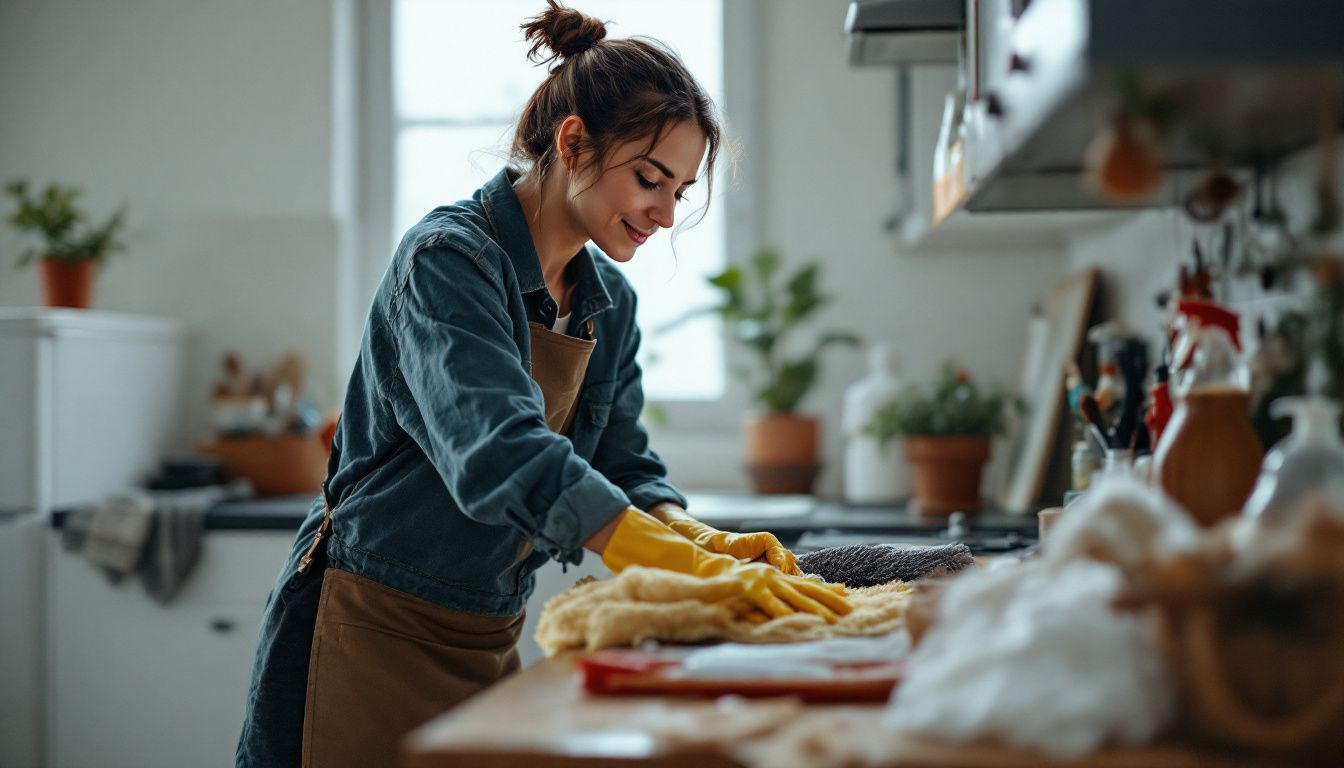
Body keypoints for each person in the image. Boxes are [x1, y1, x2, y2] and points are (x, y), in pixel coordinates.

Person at [236, 3, 850, 765]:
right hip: (367, 623)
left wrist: (691, 534)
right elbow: (498, 453)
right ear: (574, 143)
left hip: (490, 630)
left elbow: (623, 465)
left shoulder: (608, 305)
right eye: (650, 179)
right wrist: (671, 563)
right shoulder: (448, 261)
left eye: (681, 192)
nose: (663, 212)